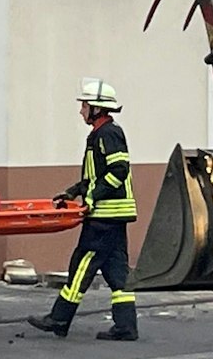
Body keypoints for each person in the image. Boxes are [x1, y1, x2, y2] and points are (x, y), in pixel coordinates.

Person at [29, 79, 139, 341]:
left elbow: (118, 171)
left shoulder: (108, 134)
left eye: (85, 106)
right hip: (112, 216)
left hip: (105, 216)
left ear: (97, 109)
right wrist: (73, 191)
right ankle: (126, 327)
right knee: (117, 272)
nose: (81, 111)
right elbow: (95, 176)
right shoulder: (100, 135)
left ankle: (59, 318)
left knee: (82, 264)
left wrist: (92, 197)